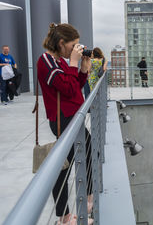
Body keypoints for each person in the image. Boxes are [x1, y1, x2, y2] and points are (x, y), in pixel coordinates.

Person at [36, 23, 93, 225]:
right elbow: (68, 90)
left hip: (70, 117)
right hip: (62, 119)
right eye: (73, 45)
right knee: (65, 166)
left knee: (69, 162)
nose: (75, 49)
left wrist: (83, 71)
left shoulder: (58, 61)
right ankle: (70, 214)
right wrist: (73, 63)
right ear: (61, 43)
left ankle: (77, 208)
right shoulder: (46, 61)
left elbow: (74, 88)